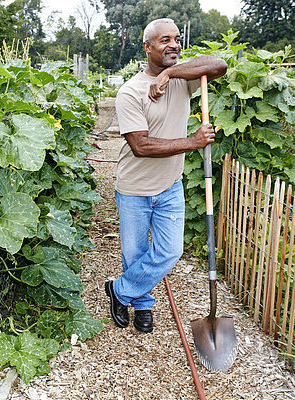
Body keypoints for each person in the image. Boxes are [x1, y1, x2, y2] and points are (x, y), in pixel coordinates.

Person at [105, 18, 227, 333]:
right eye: (163, 40)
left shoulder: (184, 79)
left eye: (176, 39)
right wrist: (192, 142)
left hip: (170, 186)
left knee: (169, 251)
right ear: (147, 47)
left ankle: (119, 291)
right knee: (135, 254)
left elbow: (218, 65)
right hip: (134, 187)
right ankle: (143, 304)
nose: (173, 44)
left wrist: (170, 72)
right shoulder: (131, 92)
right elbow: (140, 146)